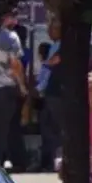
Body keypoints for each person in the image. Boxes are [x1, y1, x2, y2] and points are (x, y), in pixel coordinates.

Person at [0, 6, 29, 171]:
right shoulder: (10, 37)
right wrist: (22, 86)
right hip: (5, 87)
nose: (14, 21)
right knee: (4, 128)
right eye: (12, 17)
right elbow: (15, 63)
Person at [35, 21, 63, 171]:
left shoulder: (62, 46)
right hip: (49, 92)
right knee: (46, 128)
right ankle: (47, 161)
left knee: (54, 129)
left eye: (53, 28)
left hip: (56, 92)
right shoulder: (55, 45)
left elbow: (50, 65)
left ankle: (55, 162)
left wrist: (39, 87)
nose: (49, 32)